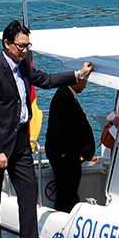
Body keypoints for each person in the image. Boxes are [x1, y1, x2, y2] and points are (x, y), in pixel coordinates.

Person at [0, 20, 94, 238]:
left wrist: (78, 74)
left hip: (19, 141)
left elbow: (46, 80)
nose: (25, 50)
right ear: (7, 44)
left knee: (29, 192)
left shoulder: (25, 64)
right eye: (20, 46)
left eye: (28, 46)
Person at [45, 78, 96, 213]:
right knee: (66, 193)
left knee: (68, 191)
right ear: (77, 80)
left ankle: (66, 213)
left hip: (67, 154)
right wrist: (65, 153)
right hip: (65, 155)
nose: (85, 86)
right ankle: (64, 217)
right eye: (84, 82)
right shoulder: (64, 97)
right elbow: (58, 128)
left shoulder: (66, 95)